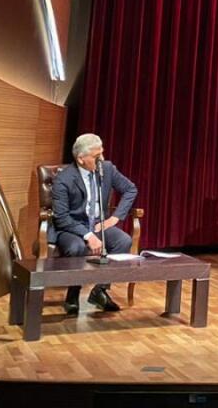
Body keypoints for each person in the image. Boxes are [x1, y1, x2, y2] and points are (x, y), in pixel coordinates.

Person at [50, 133, 138, 316]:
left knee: (123, 241)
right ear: (81, 159)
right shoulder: (63, 179)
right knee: (76, 247)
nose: (102, 159)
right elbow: (62, 217)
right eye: (96, 156)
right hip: (72, 227)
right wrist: (88, 235)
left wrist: (115, 218)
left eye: (102, 153)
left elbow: (130, 189)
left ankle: (100, 290)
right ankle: (73, 294)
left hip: (98, 224)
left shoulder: (107, 169)